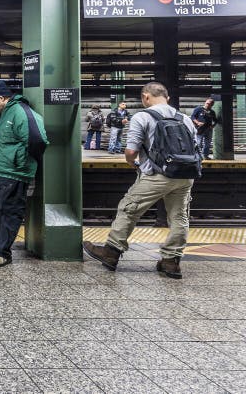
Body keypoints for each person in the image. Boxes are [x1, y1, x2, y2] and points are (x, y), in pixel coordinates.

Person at [83, 82, 198, 280]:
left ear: (145, 97)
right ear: (167, 98)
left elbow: (131, 151)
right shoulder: (185, 119)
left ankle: (111, 253)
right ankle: (171, 262)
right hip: (186, 176)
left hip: (157, 175)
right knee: (179, 217)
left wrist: (132, 163)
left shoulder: (143, 116)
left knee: (128, 209)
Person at [0, 80, 48, 267]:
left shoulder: (21, 112)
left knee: (10, 211)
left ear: (3, 98)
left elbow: (38, 141)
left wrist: (19, 161)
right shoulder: (1, 113)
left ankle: (3, 253)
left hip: (13, 172)